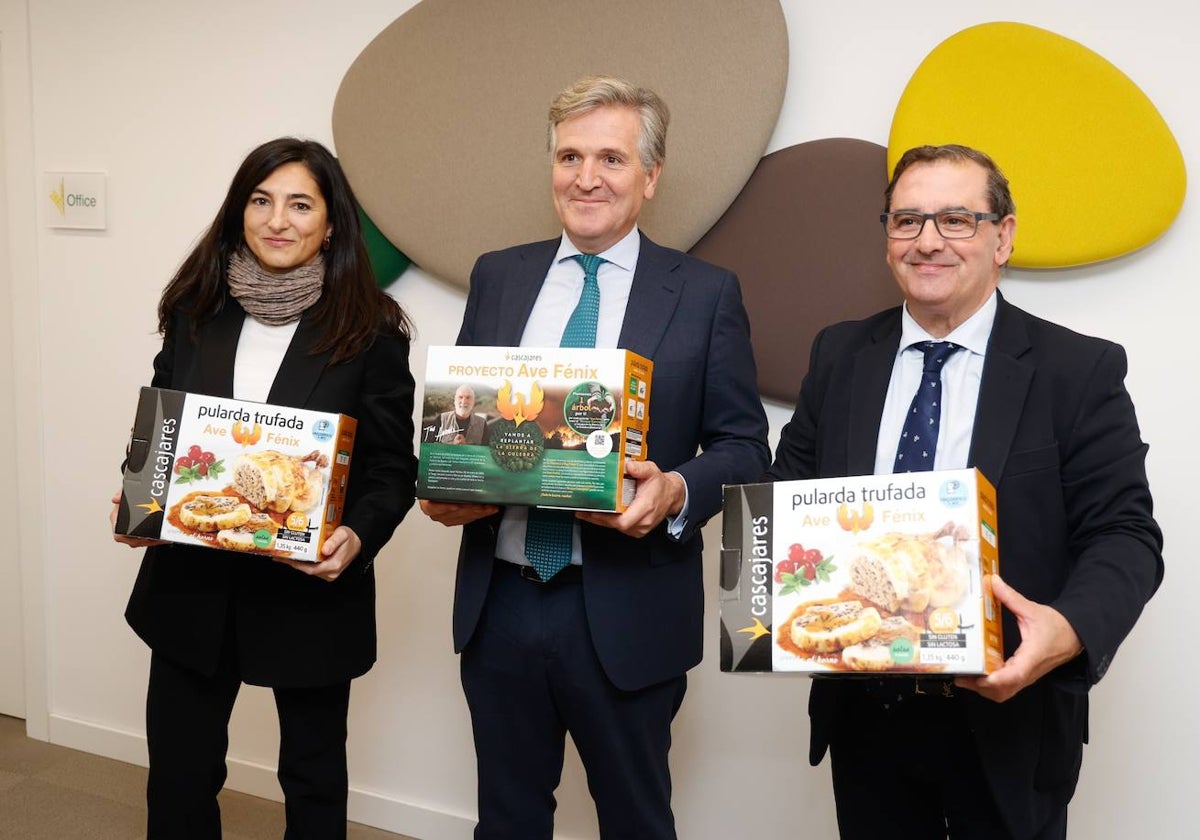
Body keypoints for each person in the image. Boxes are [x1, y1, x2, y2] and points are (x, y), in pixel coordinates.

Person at [766, 143, 1163, 839]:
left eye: (956, 220)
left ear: (1002, 235)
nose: (928, 242)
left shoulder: (1077, 370)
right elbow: (787, 496)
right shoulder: (838, 356)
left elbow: (1124, 535)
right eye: (907, 220)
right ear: (886, 236)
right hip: (867, 715)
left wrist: (1066, 631)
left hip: (1012, 718)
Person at [421, 76, 770, 839]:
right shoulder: (498, 275)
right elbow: (467, 421)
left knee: (636, 821)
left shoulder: (707, 293)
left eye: (611, 158)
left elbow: (748, 447)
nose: (586, 177)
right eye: (569, 156)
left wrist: (676, 489)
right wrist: (446, 479)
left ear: (650, 177)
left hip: (627, 605)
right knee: (506, 821)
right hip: (502, 600)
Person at [109, 137, 417, 839]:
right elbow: (163, 424)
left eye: (300, 204)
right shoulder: (194, 313)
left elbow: (392, 470)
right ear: (239, 211)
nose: (278, 220)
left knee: (312, 782)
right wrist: (138, 500)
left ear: (331, 223)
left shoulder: (372, 335)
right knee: (180, 781)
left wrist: (358, 536)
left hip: (307, 596)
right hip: (190, 589)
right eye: (261, 199)